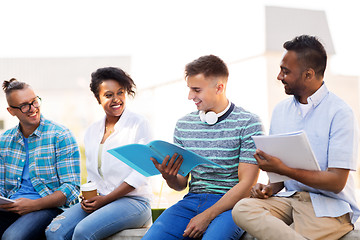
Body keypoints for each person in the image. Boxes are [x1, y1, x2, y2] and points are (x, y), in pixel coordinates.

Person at [232, 35, 360, 240]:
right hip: (288, 199)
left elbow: (336, 182)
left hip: (329, 207)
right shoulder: (281, 111)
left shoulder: (340, 113)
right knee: (242, 209)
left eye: (286, 71)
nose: (279, 76)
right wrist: (267, 188)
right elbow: (279, 178)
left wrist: (283, 169)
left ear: (308, 75)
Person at [142, 55, 264, 240]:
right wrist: (169, 176)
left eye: (196, 90)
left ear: (219, 87)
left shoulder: (249, 123)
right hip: (191, 202)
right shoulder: (184, 124)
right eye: (189, 89)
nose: (190, 96)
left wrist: (207, 216)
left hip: (232, 205)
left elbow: (247, 185)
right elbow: (181, 184)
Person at [46, 67, 153, 240]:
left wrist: (107, 199)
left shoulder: (138, 124)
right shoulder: (91, 131)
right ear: (98, 98)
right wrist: (89, 196)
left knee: (82, 232)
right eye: (109, 95)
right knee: (54, 231)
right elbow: (94, 175)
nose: (116, 99)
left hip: (134, 202)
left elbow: (141, 173)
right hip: (101, 199)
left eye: (121, 92)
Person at [0, 78, 80, 240]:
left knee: (13, 237)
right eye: (24, 106)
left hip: (49, 208)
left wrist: (32, 205)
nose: (32, 109)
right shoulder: (5, 141)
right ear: (11, 111)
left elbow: (71, 188)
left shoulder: (60, 136)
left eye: (34, 102)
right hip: (12, 207)